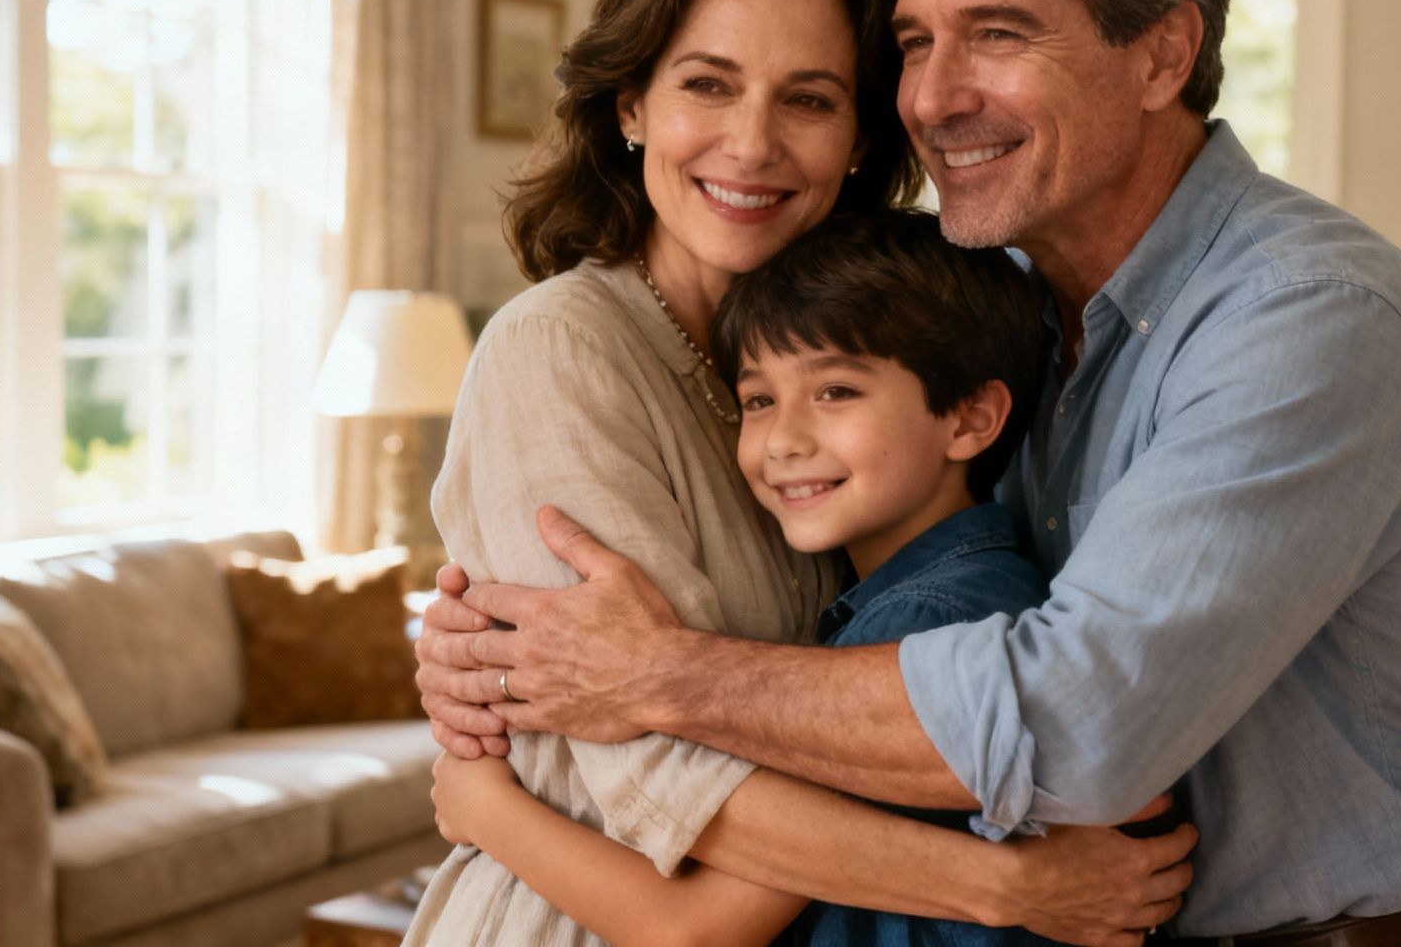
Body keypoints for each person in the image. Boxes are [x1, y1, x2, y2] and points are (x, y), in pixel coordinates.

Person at [419, 0, 1401, 947]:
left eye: (997, 34)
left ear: (1162, 54)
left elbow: (1079, 722)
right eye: (915, 43)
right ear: (631, 104)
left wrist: (655, 674)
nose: (934, 98)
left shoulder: (1303, 313)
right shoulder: (975, 308)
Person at [400, 0, 1206, 947]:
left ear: (861, 138)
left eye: (809, 100)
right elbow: (661, 780)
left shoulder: (897, 352)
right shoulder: (560, 347)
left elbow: (1095, 616)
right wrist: (1003, 886)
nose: (751, 145)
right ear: (631, 105)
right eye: (707, 84)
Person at [430, 209, 1088, 946]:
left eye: (836, 392)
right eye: (759, 401)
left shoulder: (924, 626)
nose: (783, 441)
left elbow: (693, 930)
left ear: (969, 420)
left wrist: (485, 809)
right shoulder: (927, 593)